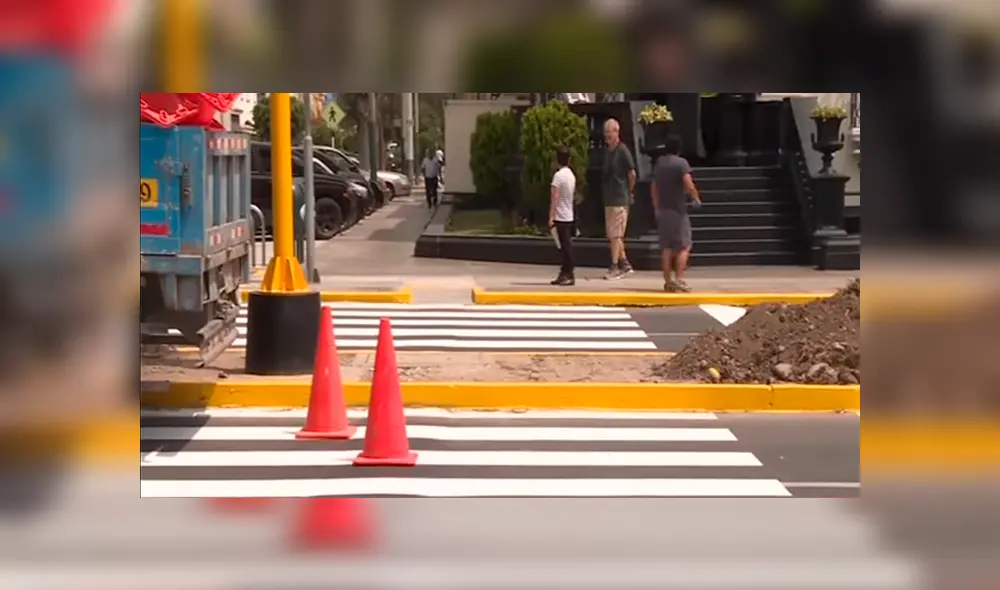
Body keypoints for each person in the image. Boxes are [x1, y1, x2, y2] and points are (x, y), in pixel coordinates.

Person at [650, 134, 701, 292]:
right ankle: (679, 279)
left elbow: (654, 187)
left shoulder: (660, 164)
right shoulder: (681, 164)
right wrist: (696, 198)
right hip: (678, 211)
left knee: (666, 248)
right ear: (679, 148)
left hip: (663, 211)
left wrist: (656, 205)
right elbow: (688, 183)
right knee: (684, 246)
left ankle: (668, 281)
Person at [600, 118, 636, 280]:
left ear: (617, 132)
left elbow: (632, 173)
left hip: (620, 197)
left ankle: (615, 266)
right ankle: (625, 263)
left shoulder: (623, 151)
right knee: (614, 234)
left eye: (609, 133)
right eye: (605, 134)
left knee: (616, 234)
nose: (607, 137)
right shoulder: (608, 151)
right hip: (609, 197)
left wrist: (629, 190)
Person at [548, 147, 577, 286]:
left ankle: (568, 273)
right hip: (569, 215)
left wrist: (551, 215)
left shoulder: (558, 176)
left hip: (560, 216)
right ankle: (564, 272)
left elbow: (555, 196)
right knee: (566, 246)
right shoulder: (571, 175)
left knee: (565, 248)